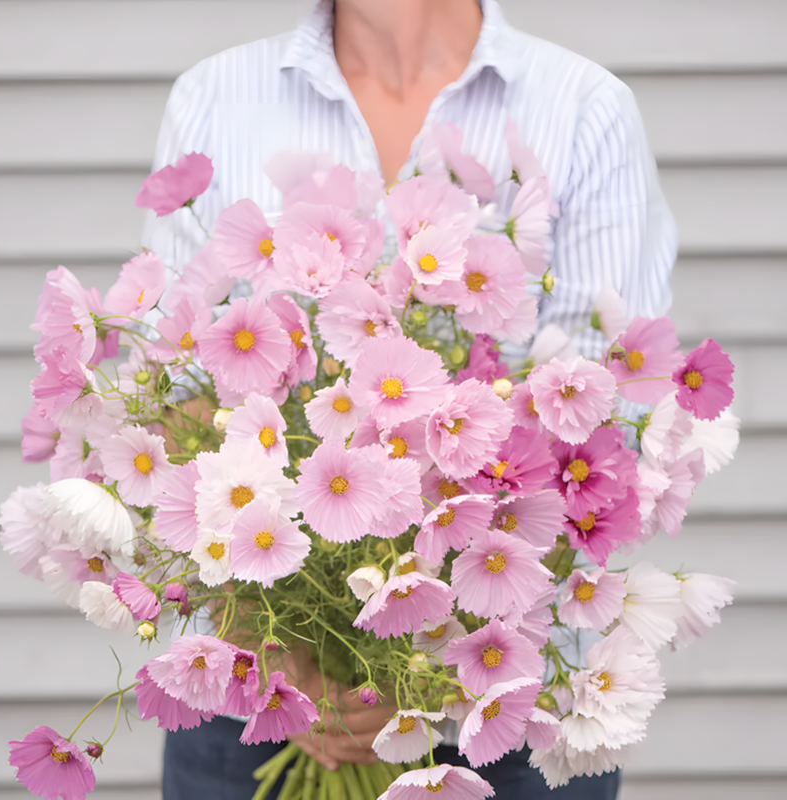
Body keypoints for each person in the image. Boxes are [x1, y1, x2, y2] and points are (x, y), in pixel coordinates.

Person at [143, 1, 677, 797]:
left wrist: (419, 669)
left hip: (501, 692)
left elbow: (600, 431)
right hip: (264, 692)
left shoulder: (582, 106)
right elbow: (182, 393)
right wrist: (293, 651)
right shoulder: (216, 97)